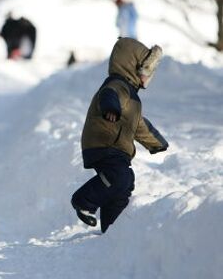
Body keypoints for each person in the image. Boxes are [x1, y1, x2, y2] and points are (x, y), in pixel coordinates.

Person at [71, 38, 169, 233]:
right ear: (133, 66)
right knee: (119, 177)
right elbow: (108, 95)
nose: (147, 77)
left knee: (124, 185)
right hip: (103, 142)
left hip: (116, 149)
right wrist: (111, 108)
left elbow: (138, 124)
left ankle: (112, 228)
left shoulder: (133, 98)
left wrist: (156, 143)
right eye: (146, 70)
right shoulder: (117, 85)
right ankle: (83, 201)